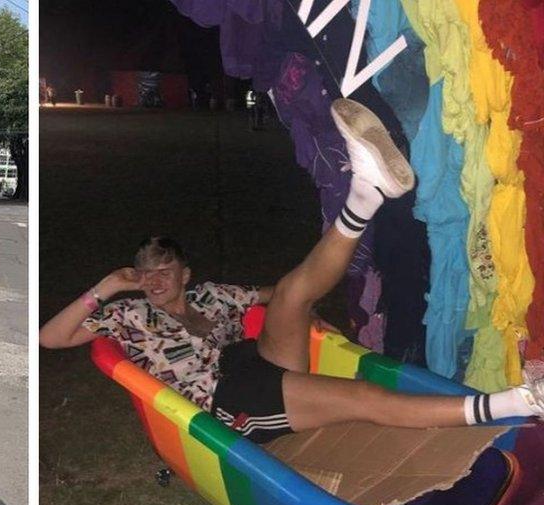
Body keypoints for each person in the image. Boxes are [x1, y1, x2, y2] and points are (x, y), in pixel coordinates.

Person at [40, 98, 544, 444]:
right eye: (145, 273)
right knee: (364, 398)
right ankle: (519, 401)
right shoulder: (128, 317)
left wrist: (305, 313)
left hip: (252, 360)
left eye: (164, 270)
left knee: (288, 292)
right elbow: (49, 338)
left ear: (185, 273)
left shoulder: (214, 295)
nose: (154, 281)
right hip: (225, 400)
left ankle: (364, 197)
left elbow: (272, 294)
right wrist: (106, 287)